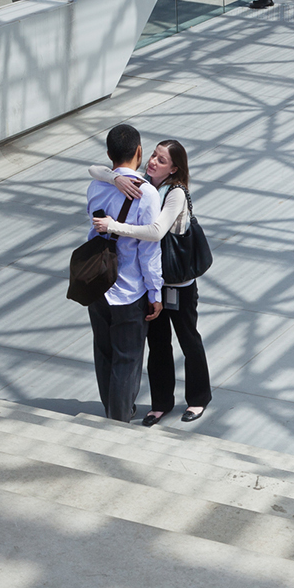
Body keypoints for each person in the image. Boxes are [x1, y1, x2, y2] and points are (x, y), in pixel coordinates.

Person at [90, 140, 210, 425]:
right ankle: (161, 402)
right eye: (154, 155)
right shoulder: (144, 185)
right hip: (152, 283)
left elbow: (156, 232)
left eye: (163, 160)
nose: (154, 161)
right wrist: (115, 177)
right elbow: (93, 169)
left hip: (177, 283)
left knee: (188, 339)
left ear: (175, 168)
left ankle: (198, 398)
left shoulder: (175, 193)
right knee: (157, 344)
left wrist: (112, 226)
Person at [85, 124, 163, 423]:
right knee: (128, 360)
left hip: (96, 283)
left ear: (109, 154)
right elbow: (148, 251)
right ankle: (118, 422)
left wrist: (112, 175)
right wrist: (155, 292)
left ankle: (111, 413)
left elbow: (95, 172)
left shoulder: (97, 185)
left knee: (104, 355)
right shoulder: (148, 194)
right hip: (130, 290)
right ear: (140, 151)